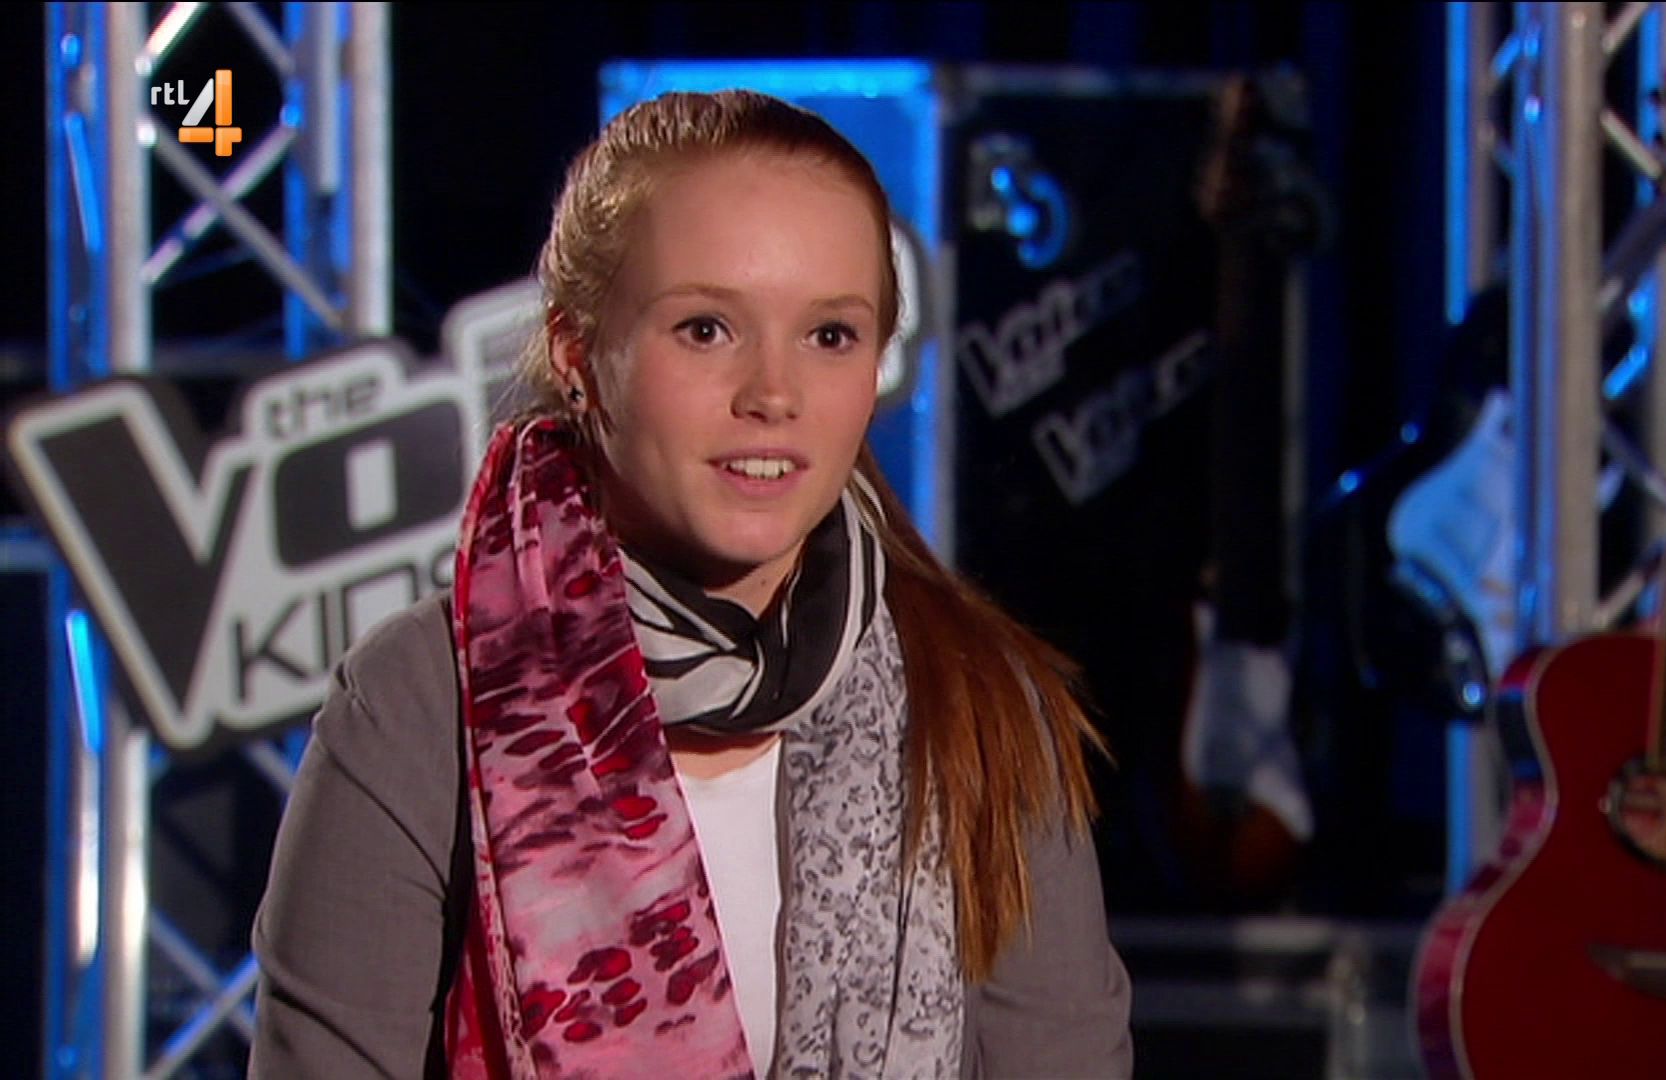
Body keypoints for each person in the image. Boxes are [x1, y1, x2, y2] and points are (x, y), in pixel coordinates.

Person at [247, 90, 1133, 1078]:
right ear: (580, 355)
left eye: (830, 336)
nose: (774, 394)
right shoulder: (422, 701)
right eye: (706, 329)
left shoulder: (975, 699)